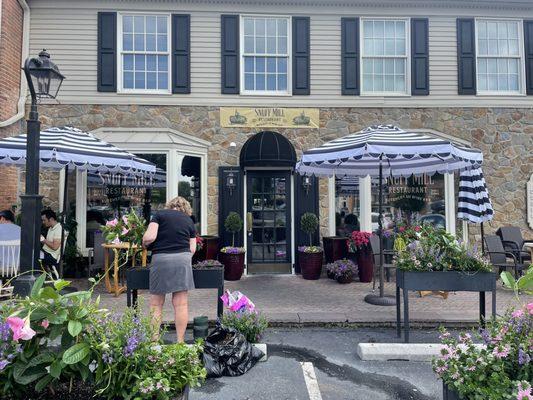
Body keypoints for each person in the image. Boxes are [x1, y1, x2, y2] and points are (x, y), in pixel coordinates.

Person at [142, 196, 196, 343]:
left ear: (170, 205)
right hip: (182, 260)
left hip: (161, 259)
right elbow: (192, 249)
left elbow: (150, 237)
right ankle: (180, 342)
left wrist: (143, 241)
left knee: (156, 303)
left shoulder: (159, 215)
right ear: (186, 208)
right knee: (181, 303)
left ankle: (154, 341)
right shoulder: (189, 220)